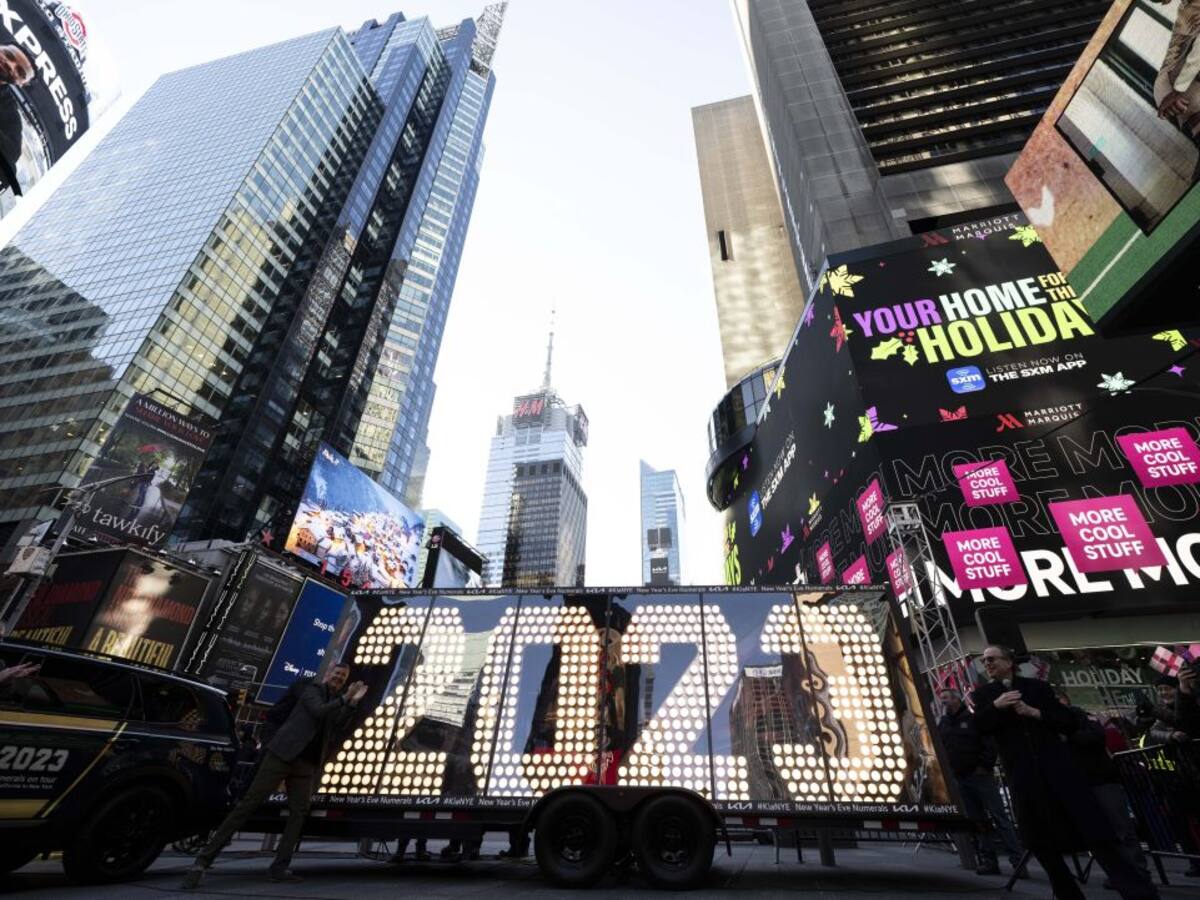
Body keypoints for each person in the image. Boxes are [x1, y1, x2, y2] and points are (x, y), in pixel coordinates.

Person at [970, 646, 1160, 900]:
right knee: (1040, 839)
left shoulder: (1037, 688)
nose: (987, 664)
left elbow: (1067, 722)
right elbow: (979, 728)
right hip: (1023, 776)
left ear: (1008, 661)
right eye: (984, 661)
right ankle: (1066, 892)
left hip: (1059, 770)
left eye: (992, 659)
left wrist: (1034, 712)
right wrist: (996, 706)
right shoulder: (984, 695)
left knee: (1096, 832)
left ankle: (1137, 892)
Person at [182, 663, 367, 888]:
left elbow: (336, 723)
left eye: (343, 677)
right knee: (249, 804)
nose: (339, 678)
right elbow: (318, 711)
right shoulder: (313, 690)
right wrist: (344, 698)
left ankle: (279, 866)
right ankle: (202, 861)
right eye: (336, 674)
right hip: (282, 755)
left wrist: (352, 703)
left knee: (298, 813)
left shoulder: (337, 699)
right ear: (328, 674)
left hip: (306, 765)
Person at [1054, 689, 1153, 887]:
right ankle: (1118, 873)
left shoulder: (1082, 716)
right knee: (1098, 833)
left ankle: (1138, 872)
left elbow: (1095, 737)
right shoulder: (1049, 724)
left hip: (1101, 779)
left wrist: (1068, 736)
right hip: (1077, 784)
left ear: (1064, 700)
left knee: (1122, 829)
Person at [936, 688, 1023, 876]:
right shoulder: (943, 724)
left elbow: (989, 744)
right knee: (978, 820)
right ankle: (989, 860)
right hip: (960, 777)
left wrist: (984, 766)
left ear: (956, 699)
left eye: (946, 698)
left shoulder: (973, 719)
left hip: (980, 776)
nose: (943, 702)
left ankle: (1018, 861)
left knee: (1000, 817)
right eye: (941, 699)